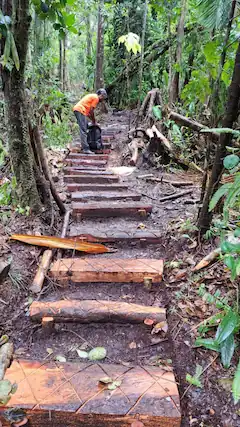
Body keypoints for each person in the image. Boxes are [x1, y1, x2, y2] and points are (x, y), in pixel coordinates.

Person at [73, 88, 108, 154]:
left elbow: (89, 113)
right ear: (101, 95)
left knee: (85, 127)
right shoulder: (96, 98)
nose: (102, 99)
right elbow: (91, 111)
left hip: (79, 110)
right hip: (80, 110)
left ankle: (87, 144)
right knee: (83, 130)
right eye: (103, 97)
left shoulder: (93, 96)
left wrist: (93, 121)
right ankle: (85, 149)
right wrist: (94, 121)